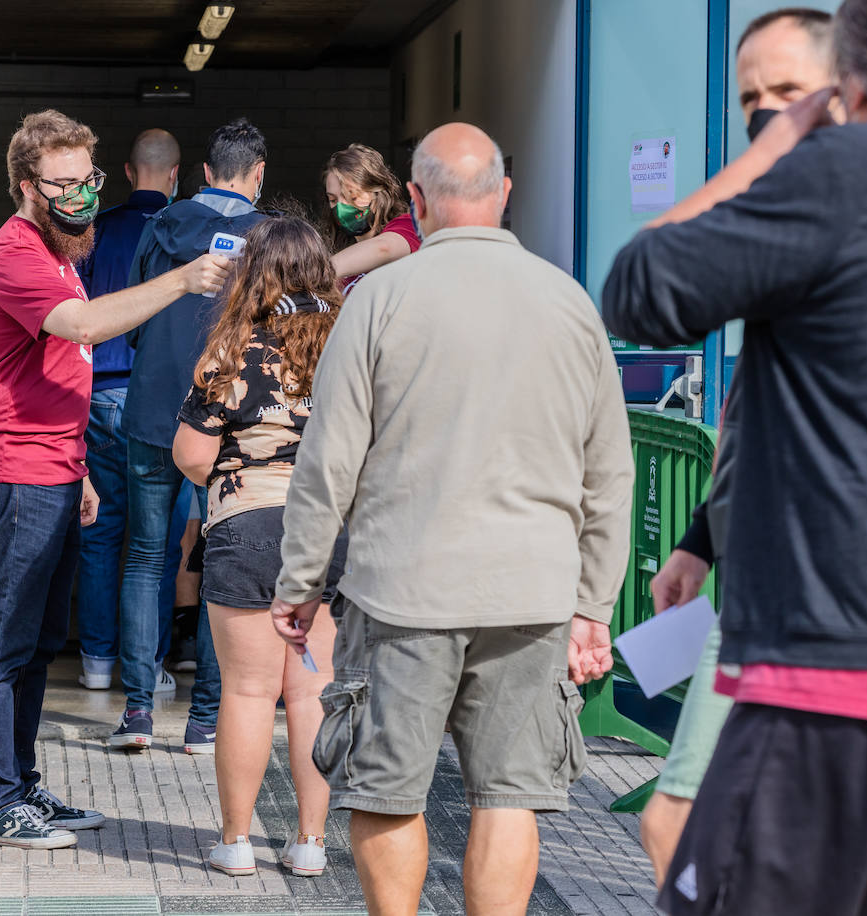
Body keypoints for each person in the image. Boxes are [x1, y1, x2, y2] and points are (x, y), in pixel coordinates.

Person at [602, 1, 867, 911]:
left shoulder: (842, 172)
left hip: (840, 679)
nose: (767, 109)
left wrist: (768, 156)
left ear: (850, 82)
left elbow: (638, 287)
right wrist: (705, 538)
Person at [271, 123, 635, 915]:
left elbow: (328, 460)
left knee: (389, 788)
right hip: (532, 595)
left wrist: (299, 580)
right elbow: (609, 472)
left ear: (416, 200)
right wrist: (591, 605)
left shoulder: (379, 300)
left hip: (403, 589)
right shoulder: (570, 304)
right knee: (508, 795)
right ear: (505, 194)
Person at [0, 109, 228, 849]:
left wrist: (78, 469)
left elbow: (58, 371)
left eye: (88, 180)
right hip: (12, 470)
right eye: (63, 183)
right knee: (0, 642)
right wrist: (179, 280)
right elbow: (81, 328)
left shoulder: (56, 250)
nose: (79, 195)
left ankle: (19, 784)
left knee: (41, 641)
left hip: (51, 467)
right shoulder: (17, 253)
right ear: (26, 185)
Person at [636, 5, 836, 888]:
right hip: (760, 590)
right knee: (685, 826)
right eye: (753, 97)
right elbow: (751, 415)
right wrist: (698, 544)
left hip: (839, 606)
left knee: (685, 824)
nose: (767, 116)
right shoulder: (780, 231)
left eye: (789, 93)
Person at [173, 216, 349, 879]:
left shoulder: (232, 354)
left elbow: (191, 457)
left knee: (247, 694)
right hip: (325, 531)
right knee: (310, 694)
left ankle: (237, 843)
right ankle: (310, 843)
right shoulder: (344, 355)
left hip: (246, 530)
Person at [114, 117, 270, 753]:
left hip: (153, 407)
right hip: (232, 419)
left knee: (147, 556)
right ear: (258, 174)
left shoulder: (161, 226)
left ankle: (138, 713)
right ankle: (207, 719)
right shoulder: (267, 238)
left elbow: (131, 318)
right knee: (220, 567)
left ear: (204, 173)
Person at [75, 127, 182, 693]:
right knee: (155, 542)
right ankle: (151, 667)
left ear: (125, 171)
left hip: (97, 395)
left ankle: (95, 661)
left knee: (100, 532)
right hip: (159, 403)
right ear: (176, 174)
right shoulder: (184, 231)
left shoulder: (96, 231)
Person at [323, 143, 421, 292]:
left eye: (352, 196)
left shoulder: (407, 226)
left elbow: (384, 248)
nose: (341, 207)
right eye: (333, 200)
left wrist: (318, 272)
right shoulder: (342, 251)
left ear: (378, 193)